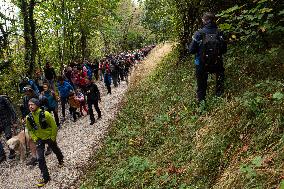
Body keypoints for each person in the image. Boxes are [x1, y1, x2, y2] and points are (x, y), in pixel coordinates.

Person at [187, 12, 227, 104]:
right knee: (220, 76)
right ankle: (219, 100)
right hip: (217, 63)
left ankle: (202, 106)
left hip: (201, 64)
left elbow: (191, 50)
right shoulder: (220, 33)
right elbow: (224, 50)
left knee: (201, 87)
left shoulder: (198, 33)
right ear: (214, 20)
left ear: (204, 21)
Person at [25, 98, 64, 187]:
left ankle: (60, 158)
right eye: (29, 105)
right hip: (39, 139)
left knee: (55, 149)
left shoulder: (45, 114)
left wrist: (52, 137)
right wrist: (35, 138)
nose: (30, 106)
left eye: (32, 104)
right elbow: (30, 130)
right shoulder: (28, 118)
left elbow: (54, 126)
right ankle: (46, 177)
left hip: (49, 136)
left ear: (37, 104)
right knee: (40, 158)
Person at [0, 95, 17, 163]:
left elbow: (11, 109)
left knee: (8, 136)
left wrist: (14, 120)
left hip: (6, 121)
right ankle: (2, 155)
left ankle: (12, 151)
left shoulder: (2, 99)